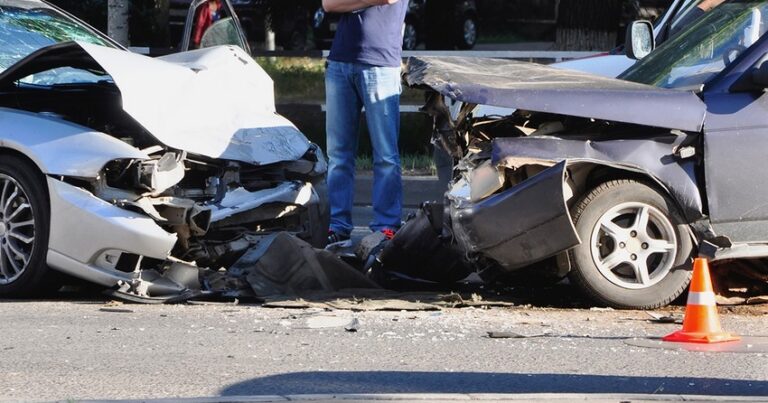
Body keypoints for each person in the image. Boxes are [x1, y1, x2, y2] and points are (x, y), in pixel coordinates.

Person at [322, 0, 408, 249]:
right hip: (340, 62)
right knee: (338, 154)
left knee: (385, 155)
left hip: (381, 64)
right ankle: (337, 227)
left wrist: (348, 4)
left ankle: (386, 227)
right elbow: (328, 4)